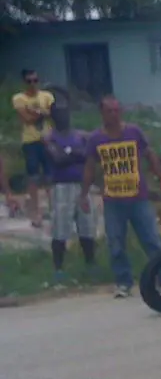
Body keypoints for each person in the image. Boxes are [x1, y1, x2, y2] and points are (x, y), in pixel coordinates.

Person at [80, 95, 161, 298]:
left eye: (117, 110)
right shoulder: (96, 139)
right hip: (113, 199)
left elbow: (150, 155)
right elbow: (89, 167)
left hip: (138, 197)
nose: (114, 114)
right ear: (102, 113)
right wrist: (83, 194)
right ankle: (123, 281)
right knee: (116, 242)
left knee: (152, 240)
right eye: (109, 111)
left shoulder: (133, 132)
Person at [44, 105, 96, 281]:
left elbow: (89, 156)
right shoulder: (49, 138)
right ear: (53, 117)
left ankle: (91, 265)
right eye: (59, 114)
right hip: (61, 186)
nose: (64, 117)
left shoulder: (80, 135)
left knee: (87, 225)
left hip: (82, 185)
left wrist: (69, 153)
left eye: (66, 113)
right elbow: (58, 159)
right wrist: (76, 154)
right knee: (60, 227)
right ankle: (58, 268)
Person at [12, 69, 54, 228]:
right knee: (33, 177)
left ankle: (54, 209)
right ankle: (35, 213)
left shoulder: (47, 96)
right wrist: (42, 112)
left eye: (35, 80)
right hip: (30, 142)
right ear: (24, 82)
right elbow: (26, 119)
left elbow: (53, 114)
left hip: (47, 139)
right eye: (29, 81)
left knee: (51, 175)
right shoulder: (19, 98)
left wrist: (34, 111)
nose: (33, 84)